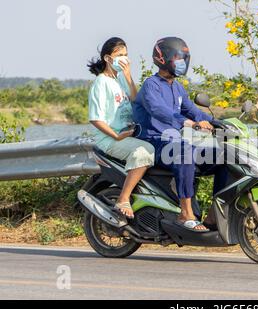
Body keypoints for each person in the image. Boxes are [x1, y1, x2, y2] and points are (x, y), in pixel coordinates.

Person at [133, 37, 225, 232]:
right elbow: (158, 110)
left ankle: (214, 215)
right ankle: (185, 214)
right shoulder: (152, 85)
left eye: (184, 59)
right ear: (163, 59)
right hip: (154, 142)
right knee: (185, 152)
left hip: (174, 143)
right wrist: (186, 122)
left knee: (224, 158)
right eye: (178, 59)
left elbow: (193, 111)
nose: (182, 64)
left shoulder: (177, 87)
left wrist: (218, 123)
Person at [87, 37, 154, 219]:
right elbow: (96, 119)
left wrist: (128, 75)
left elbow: (135, 99)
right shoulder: (101, 83)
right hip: (109, 139)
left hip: (128, 135)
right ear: (108, 59)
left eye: (126, 55)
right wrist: (116, 136)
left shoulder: (120, 79)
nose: (124, 59)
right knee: (144, 151)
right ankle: (123, 199)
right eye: (119, 55)